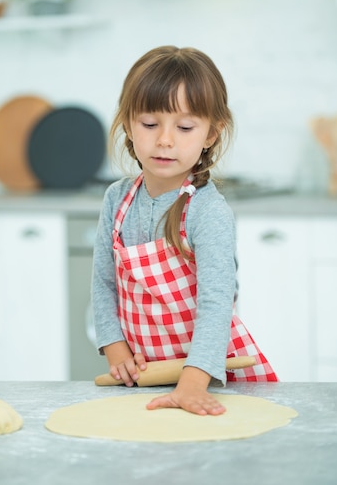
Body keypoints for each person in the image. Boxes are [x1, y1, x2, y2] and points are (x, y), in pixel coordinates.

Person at [91, 45, 277, 417]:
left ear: (211, 133)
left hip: (206, 378)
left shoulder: (207, 211)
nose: (165, 140)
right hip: (144, 374)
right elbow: (103, 283)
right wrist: (114, 346)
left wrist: (192, 383)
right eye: (149, 124)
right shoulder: (117, 199)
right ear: (128, 123)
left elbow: (216, 303)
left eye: (185, 127)